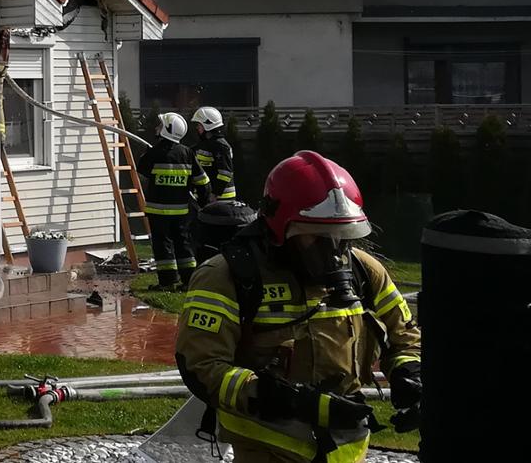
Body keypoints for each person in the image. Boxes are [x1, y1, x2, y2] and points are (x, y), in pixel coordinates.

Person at [176, 151, 421, 462]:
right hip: (266, 448)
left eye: (341, 235)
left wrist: (410, 376)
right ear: (281, 229)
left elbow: (405, 337)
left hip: (347, 451)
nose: (333, 251)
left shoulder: (364, 271)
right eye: (317, 236)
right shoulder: (226, 277)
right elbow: (202, 367)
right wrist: (285, 400)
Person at [137, 113, 209, 290]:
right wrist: (203, 203)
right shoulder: (187, 153)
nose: (157, 128)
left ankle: (168, 282)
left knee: (163, 246)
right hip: (181, 212)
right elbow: (203, 182)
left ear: (167, 130)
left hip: (158, 212)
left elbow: (142, 169)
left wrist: (147, 153)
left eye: (160, 125)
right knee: (183, 245)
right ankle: (189, 281)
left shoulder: (154, 153)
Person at [192, 107, 238, 204]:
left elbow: (225, 173)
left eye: (199, 125)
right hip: (209, 197)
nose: (197, 128)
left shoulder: (221, 146)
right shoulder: (205, 144)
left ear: (207, 125)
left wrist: (214, 194)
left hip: (221, 199)